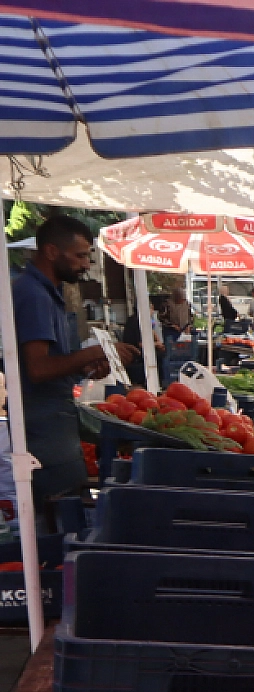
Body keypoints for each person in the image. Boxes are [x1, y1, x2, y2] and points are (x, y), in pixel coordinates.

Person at [11, 214, 136, 506]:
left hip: (53, 419)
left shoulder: (47, 292)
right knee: (60, 512)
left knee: (68, 506)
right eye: (80, 256)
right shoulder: (33, 295)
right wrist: (95, 352)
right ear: (52, 251)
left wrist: (84, 367)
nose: (86, 265)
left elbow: (53, 361)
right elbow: (38, 369)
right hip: (42, 428)